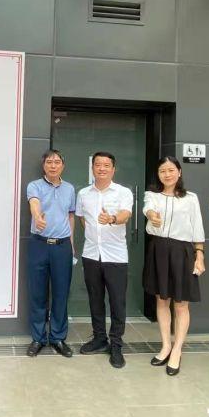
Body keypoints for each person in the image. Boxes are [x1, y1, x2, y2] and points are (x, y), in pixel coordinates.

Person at [143, 156, 206, 376]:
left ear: (179, 172)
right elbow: (148, 209)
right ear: (158, 174)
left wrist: (199, 255)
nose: (167, 174)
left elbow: (197, 227)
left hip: (183, 251)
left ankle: (177, 350)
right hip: (158, 249)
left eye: (171, 170)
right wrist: (152, 216)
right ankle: (165, 346)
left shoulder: (191, 198)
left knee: (181, 304)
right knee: (161, 301)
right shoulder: (152, 195)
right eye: (163, 171)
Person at [75, 152, 133, 369]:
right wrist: (94, 234)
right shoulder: (83, 193)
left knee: (117, 301)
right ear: (92, 168)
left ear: (113, 169)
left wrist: (112, 219)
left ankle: (116, 344)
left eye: (106, 165)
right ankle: (99, 338)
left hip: (116, 256)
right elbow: (82, 219)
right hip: (91, 254)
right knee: (95, 299)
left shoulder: (123, 192)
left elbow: (126, 215)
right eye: (98, 165)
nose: (101, 168)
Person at [26, 150, 76, 358]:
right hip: (39, 245)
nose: (53, 165)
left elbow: (70, 216)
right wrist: (37, 217)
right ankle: (38, 338)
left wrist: (72, 245)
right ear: (43, 165)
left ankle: (58, 338)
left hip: (62, 247)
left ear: (63, 165)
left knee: (61, 293)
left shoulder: (70, 188)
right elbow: (34, 203)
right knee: (38, 293)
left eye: (57, 162)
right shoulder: (34, 185)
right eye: (49, 162)